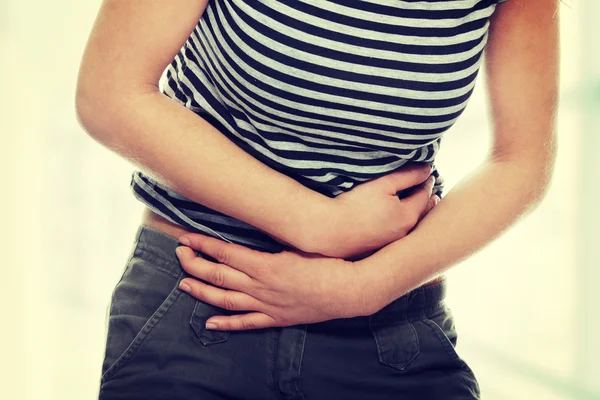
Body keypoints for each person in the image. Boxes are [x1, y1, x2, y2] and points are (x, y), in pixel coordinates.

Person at [75, 0, 559, 398]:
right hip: (203, 295)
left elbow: (520, 162)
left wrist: (361, 287)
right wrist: (319, 224)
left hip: (388, 322)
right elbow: (110, 94)